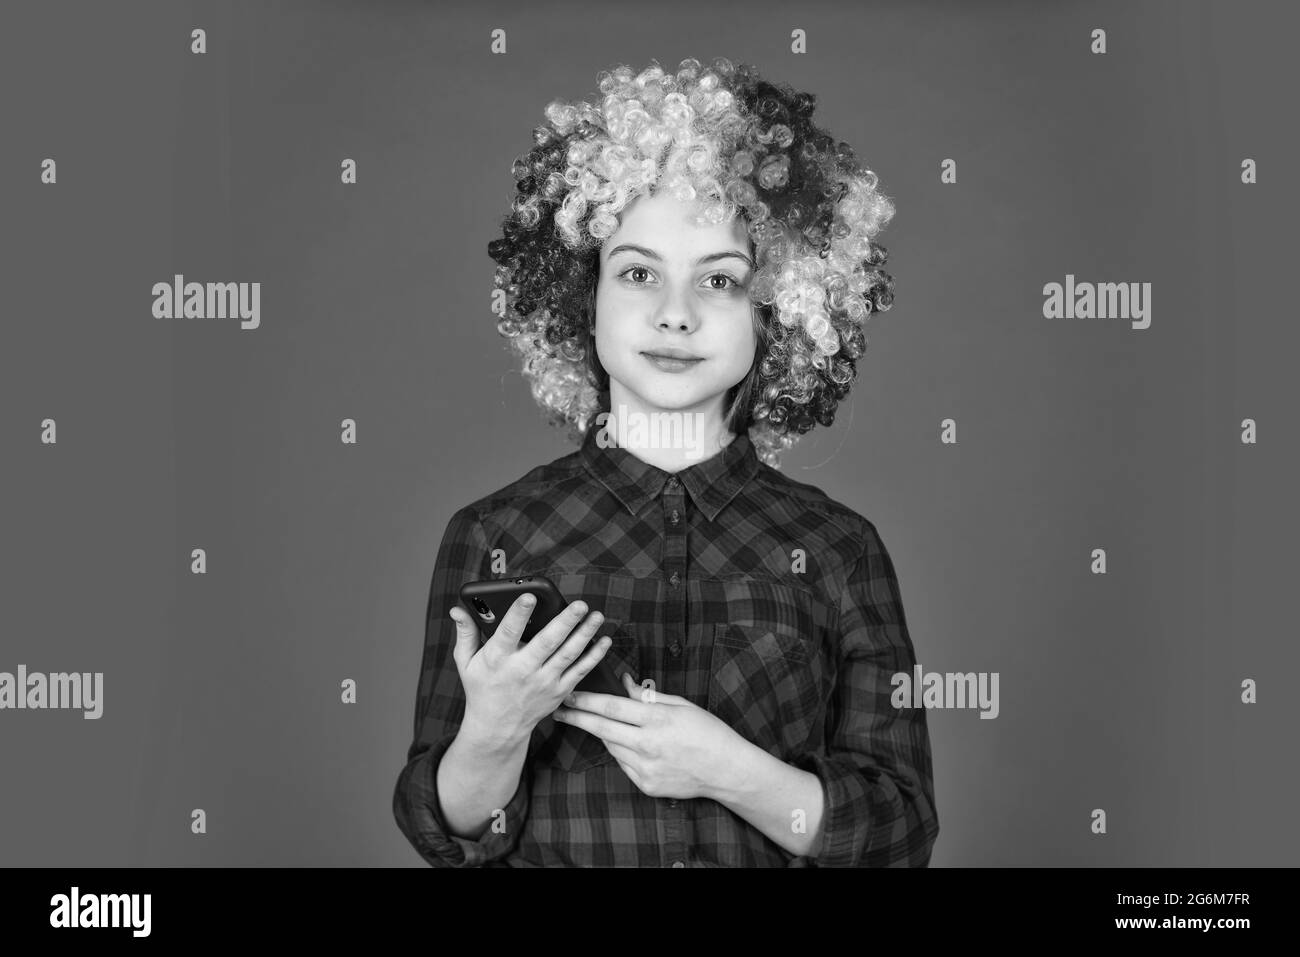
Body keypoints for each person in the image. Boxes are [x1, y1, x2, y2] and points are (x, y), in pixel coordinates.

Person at [392, 56, 938, 867]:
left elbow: (899, 834)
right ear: (584, 297)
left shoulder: (840, 549)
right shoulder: (493, 533)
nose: (675, 315)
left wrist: (733, 771)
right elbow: (448, 832)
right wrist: (492, 734)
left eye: (718, 280)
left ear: (777, 316)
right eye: (639, 272)